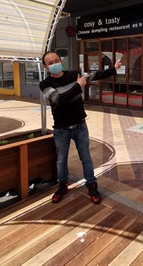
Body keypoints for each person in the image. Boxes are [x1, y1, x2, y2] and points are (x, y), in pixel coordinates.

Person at [39, 51, 121, 204]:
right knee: (61, 160)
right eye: (50, 63)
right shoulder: (45, 84)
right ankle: (62, 185)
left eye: (56, 60)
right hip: (61, 128)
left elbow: (94, 75)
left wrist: (113, 69)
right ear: (45, 66)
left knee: (86, 157)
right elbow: (58, 100)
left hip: (80, 126)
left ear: (61, 61)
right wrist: (78, 86)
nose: (54, 64)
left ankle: (91, 184)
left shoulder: (74, 74)